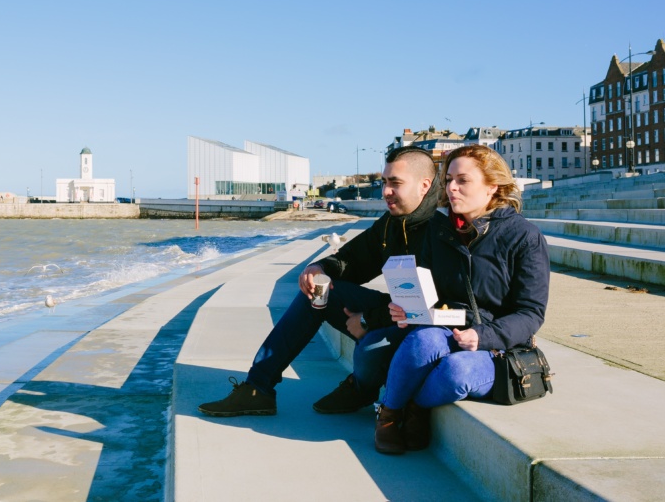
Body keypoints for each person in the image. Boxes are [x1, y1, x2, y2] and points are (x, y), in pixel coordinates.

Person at [198, 146, 440, 418]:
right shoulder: (391, 223)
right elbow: (352, 260)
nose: (385, 191)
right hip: (395, 312)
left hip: (426, 328)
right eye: (384, 182)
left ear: (424, 186)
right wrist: (319, 267)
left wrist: (368, 319)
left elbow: (439, 306)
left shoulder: (442, 230)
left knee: (371, 348)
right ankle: (258, 388)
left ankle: (361, 386)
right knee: (318, 290)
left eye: (395, 183)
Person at [373, 144, 549, 455]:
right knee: (421, 343)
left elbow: (531, 312)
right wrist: (408, 308)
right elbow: (427, 290)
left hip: (497, 345)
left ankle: (414, 406)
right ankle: (388, 415)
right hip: (445, 325)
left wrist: (483, 336)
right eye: (449, 179)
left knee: (459, 372)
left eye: (463, 180)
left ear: (492, 186)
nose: (452, 188)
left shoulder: (524, 237)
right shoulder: (438, 231)